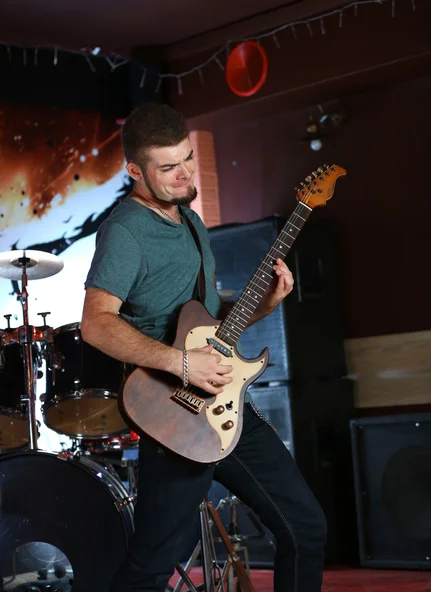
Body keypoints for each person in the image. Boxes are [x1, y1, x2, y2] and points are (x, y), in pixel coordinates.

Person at [81, 102, 327, 592]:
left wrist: (264, 305)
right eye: (168, 167)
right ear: (135, 171)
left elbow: (211, 324)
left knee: (305, 527)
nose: (184, 174)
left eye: (187, 159)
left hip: (229, 405)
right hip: (174, 412)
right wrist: (182, 363)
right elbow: (96, 325)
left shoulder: (190, 222)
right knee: (152, 565)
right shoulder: (125, 231)